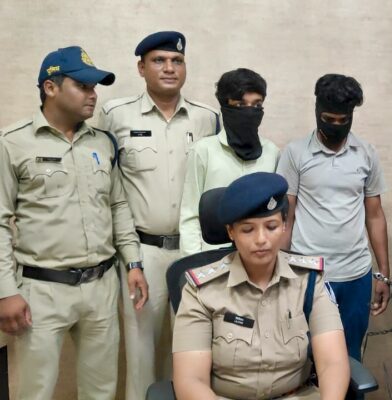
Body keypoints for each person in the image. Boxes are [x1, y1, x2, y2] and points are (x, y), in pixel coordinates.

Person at [0, 46, 147, 400]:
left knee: (101, 390)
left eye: (94, 87)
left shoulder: (102, 143)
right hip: (41, 289)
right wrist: (5, 291)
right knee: (34, 391)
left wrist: (133, 262)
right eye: (82, 86)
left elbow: (117, 205)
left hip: (101, 286)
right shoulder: (12, 143)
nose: (93, 94)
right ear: (50, 87)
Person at [97, 31, 219, 400]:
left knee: (190, 352)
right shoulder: (116, 115)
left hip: (194, 251)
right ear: (141, 68)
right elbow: (106, 184)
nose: (169, 68)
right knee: (140, 353)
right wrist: (128, 257)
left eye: (177, 61)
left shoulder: (207, 118)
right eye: (159, 61)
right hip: (142, 253)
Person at [172, 172, 350, 400]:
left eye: (271, 226)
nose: (261, 239)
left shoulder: (308, 280)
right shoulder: (202, 290)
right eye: (248, 230)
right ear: (231, 232)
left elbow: (333, 363)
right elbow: (190, 380)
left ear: (284, 225)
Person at [276, 73, 390, 361]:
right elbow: (286, 218)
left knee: (350, 358)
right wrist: (278, 271)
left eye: (343, 120)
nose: (336, 126)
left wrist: (383, 274)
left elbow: (375, 216)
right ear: (317, 110)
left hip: (355, 274)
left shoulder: (366, 153)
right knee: (304, 357)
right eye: (329, 119)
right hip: (307, 273)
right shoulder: (295, 153)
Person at [179, 68, 279, 255]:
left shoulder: (271, 152)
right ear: (225, 106)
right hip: (213, 259)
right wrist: (193, 264)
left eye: (256, 105)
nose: (250, 111)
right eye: (241, 105)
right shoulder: (203, 151)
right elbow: (190, 216)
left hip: (258, 258)